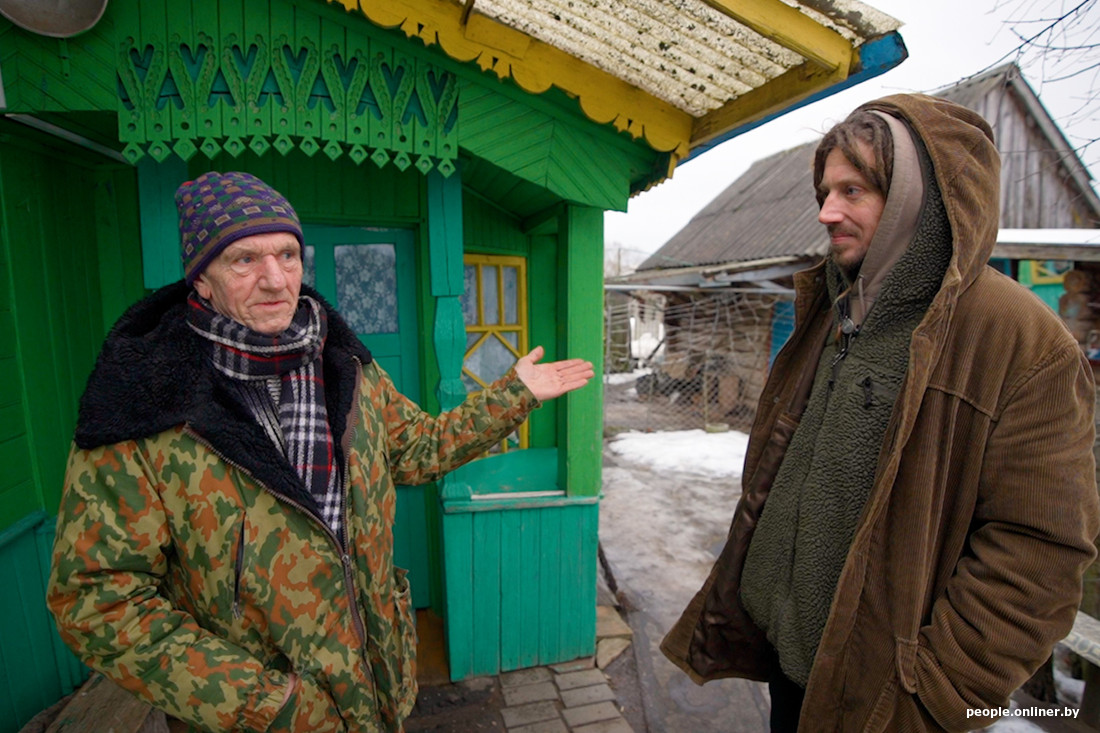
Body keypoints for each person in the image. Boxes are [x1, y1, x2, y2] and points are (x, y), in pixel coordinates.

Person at [47, 171, 594, 732]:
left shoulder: (346, 368)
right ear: (202, 281)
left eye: (288, 255)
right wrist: (267, 705)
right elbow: (96, 600)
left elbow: (419, 449)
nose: (275, 279)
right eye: (244, 260)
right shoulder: (144, 409)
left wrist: (514, 396)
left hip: (376, 691)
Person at [661, 94, 1100, 731]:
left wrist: (935, 692)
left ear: (911, 202)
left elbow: (1041, 551)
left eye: (853, 191)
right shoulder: (835, 307)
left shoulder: (1017, 339)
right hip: (790, 664)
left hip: (884, 701)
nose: (826, 211)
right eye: (825, 190)